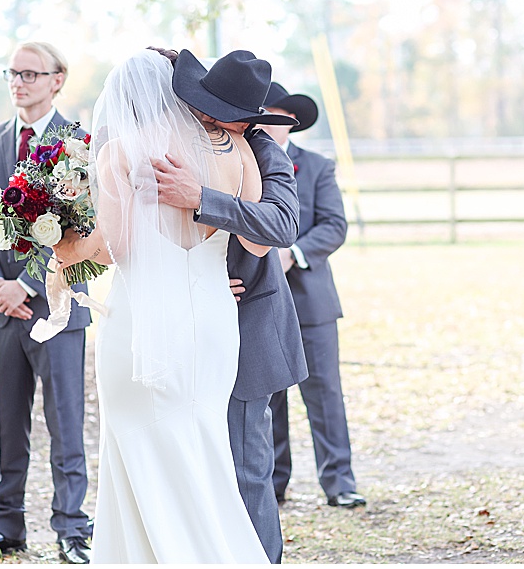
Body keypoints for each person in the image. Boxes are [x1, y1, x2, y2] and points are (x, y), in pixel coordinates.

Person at [53, 48, 297, 563]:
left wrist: (61, 245)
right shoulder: (240, 152)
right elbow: (257, 244)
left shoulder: (120, 151)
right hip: (212, 318)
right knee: (203, 448)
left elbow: (118, 248)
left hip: (142, 324)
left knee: (141, 445)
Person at [150, 49, 310, 563]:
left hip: (248, 330)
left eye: (212, 109)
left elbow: (283, 225)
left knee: (246, 468)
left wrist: (200, 196)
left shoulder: (266, 153)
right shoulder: (173, 135)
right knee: (191, 463)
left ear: (243, 119)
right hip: (182, 328)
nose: (199, 114)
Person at [0, 41, 93, 565]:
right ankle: (6, 525)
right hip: (1, 310)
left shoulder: (80, 144)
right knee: (7, 419)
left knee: (65, 421)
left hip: (57, 306)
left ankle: (71, 527)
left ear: (58, 79)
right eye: (12, 73)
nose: (19, 82)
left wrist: (31, 285)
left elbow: (86, 229)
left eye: (31, 73)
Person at [260, 82, 366, 509]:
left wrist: (293, 253)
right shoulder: (242, 165)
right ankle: (273, 483)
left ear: (289, 121)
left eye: (273, 116)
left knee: (324, 393)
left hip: (312, 302)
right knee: (270, 397)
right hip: (261, 300)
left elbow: (334, 226)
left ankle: (339, 481)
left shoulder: (318, 167)